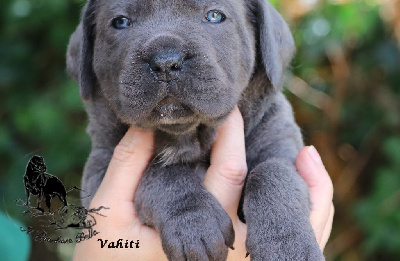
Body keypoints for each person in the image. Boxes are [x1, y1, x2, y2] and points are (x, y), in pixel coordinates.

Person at [73, 107, 334, 260]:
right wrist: (178, 200)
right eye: (122, 22)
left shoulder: (267, 115)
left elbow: (285, 169)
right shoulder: (114, 117)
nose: (166, 59)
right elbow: (104, 193)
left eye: (214, 15)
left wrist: (283, 230)